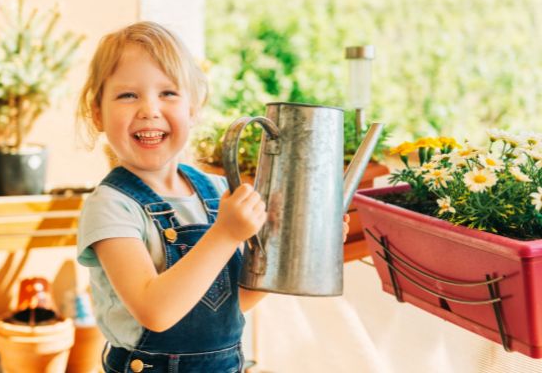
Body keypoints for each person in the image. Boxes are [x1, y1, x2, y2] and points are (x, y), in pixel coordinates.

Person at [76, 21, 350, 373]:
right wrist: (224, 234)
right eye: (128, 95)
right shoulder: (111, 206)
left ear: (193, 108)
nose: (149, 109)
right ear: (97, 113)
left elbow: (236, 302)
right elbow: (154, 311)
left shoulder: (217, 192)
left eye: (168, 93)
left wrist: (309, 246)